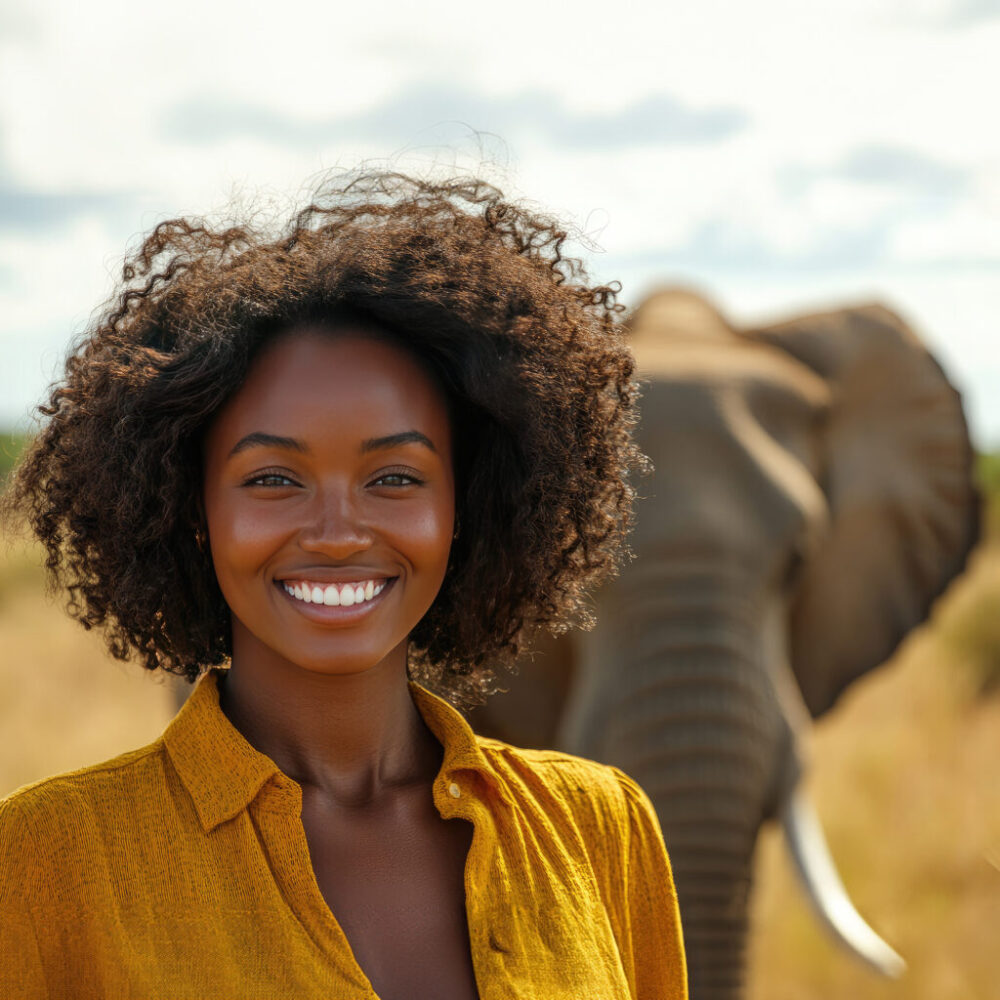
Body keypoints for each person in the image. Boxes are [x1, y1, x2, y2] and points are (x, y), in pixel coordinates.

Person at [0, 172, 688, 999]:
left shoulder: (597, 828)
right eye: (272, 479)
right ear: (192, 510)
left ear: (466, 506)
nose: (335, 534)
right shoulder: (46, 861)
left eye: (395, 478)